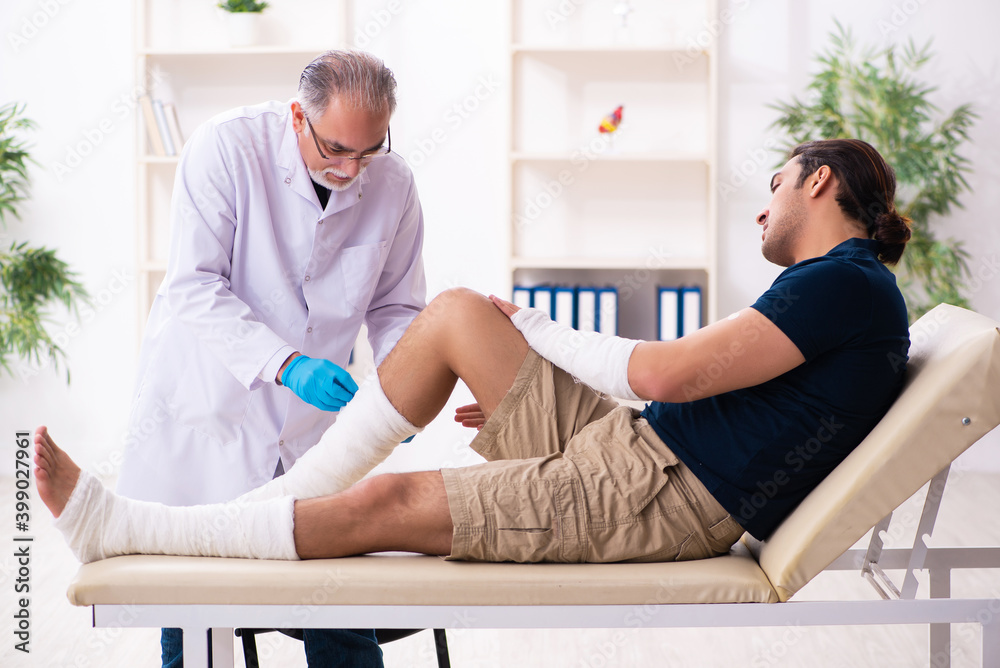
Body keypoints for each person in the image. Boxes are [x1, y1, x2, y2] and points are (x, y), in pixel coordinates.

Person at [37, 140, 911, 577]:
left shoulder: (845, 282)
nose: (763, 211)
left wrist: (537, 327)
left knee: (386, 498)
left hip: (663, 492)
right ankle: (271, 508)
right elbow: (684, 396)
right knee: (455, 314)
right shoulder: (844, 288)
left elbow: (665, 373)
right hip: (639, 446)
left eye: (775, 186)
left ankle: (132, 531)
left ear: (821, 182)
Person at [118, 50, 426, 667]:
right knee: (195, 603)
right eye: (335, 149)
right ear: (297, 117)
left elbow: (397, 306)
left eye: (368, 151)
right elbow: (194, 285)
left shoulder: (392, 181)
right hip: (207, 410)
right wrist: (286, 364)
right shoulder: (226, 150)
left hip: (312, 437)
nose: (350, 168)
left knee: (333, 600)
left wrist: (402, 387)